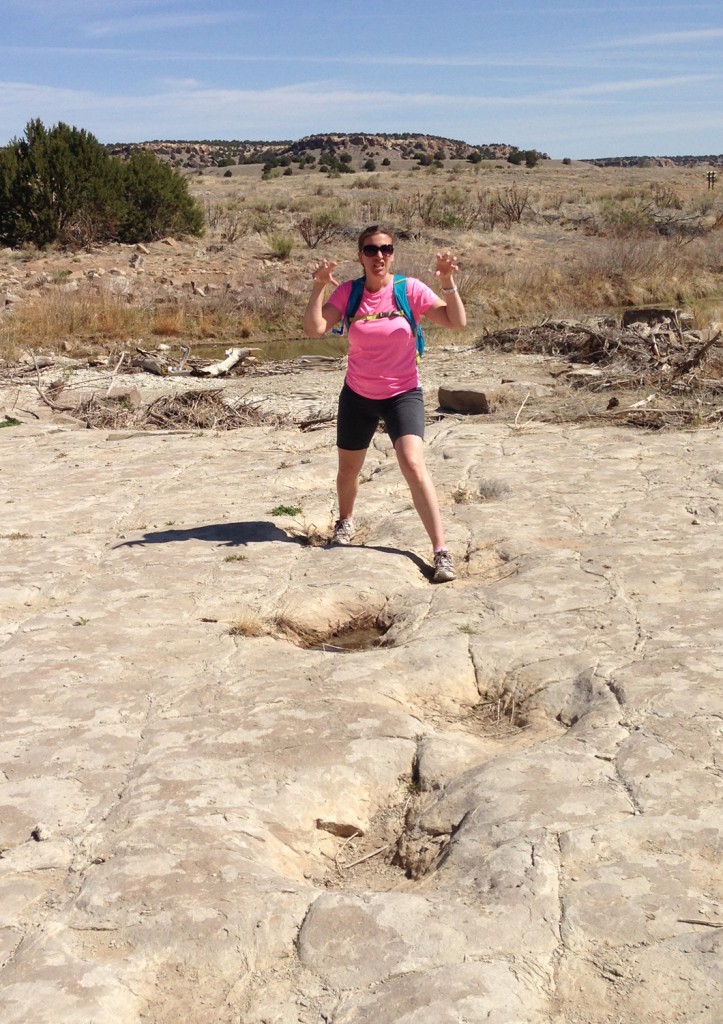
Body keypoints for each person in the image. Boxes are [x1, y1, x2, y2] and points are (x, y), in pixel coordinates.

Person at [302, 225, 467, 583]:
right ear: (360, 256)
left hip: (403, 393)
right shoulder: (350, 292)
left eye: (386, 249)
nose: (379, 256)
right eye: (371, 250)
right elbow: (314, 328)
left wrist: (447, 282)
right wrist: (318, 286)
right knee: (348, 470)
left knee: (412, 462)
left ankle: (441, 551)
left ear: (393, 253)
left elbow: (456, 321)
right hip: (358, 395)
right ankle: (345, 523)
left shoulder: (409, 290)